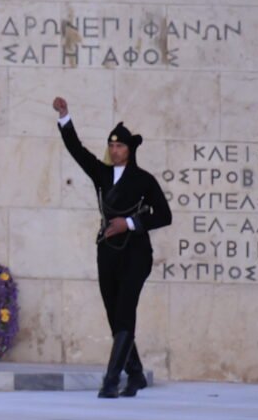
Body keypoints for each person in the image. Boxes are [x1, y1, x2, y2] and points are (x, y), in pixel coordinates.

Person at [53, 98, 172, 399]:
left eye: (120, 146)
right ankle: (135, 374)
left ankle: (110, 380)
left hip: (136, 253)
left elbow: (164, 215)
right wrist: (65, 117)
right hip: (108, 251)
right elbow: (77, 150)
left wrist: (129, 223)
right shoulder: (102, 174)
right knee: (113, 313)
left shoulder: (144, 180)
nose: (115, 150)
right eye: (111, 145)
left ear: (129, 149)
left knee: (125, 310)